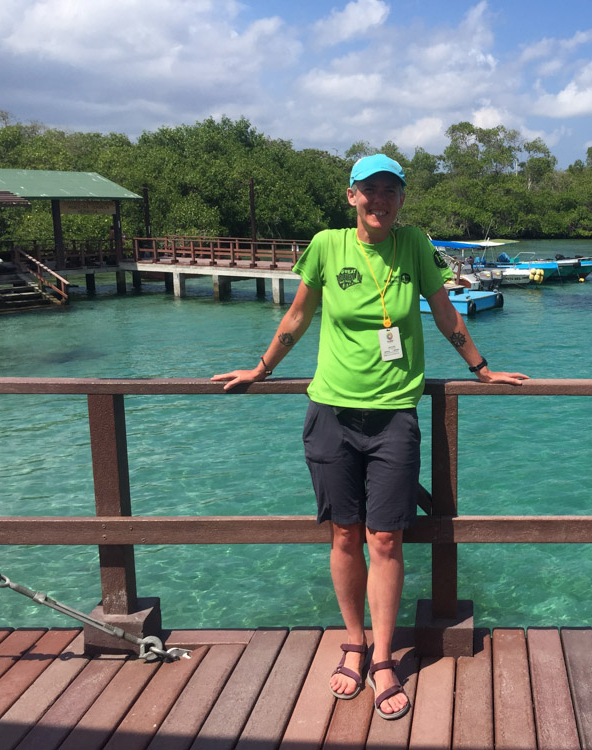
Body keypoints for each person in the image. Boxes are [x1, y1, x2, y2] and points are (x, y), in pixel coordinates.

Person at [212, 154, 528, 720]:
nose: (381, 200)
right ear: (352, 196)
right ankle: (353, 642)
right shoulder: (327, 245)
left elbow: (445, 312)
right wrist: (260, 368)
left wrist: (483, 369)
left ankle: (383, 657)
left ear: (402, 200)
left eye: (392, 191)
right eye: (370, 190)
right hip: (331, 410)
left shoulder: (414, 246)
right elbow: (297, 317)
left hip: (394, 416)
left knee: (385, 540)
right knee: (342, 535)